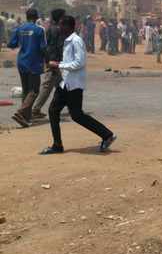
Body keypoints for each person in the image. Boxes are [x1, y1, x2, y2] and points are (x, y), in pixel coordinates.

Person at [40, 15, 116, 154]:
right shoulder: (67, 40)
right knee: (53, 111)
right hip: (65, 83)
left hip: (73, 84)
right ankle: (57, 145)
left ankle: (107, 135)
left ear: (69, 27)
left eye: (62, 25)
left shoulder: (76, 41)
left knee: (77, 115)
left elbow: (79, 62)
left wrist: (59, 65)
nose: (60, 28)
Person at [8, 8, 47, 127]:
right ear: (36, 18)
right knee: (34, 91)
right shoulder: (39, 30)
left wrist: (23, 41)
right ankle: (21, 112)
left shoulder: (19, 28)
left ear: (26, 16)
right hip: (34, 63)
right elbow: (43, 48)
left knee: (26, 90)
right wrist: (48, 60)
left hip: (22, 62)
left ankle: (26, 118)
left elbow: (11, 44)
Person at [30, 9, 67, 121]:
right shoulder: (57, 30)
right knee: (47, 86)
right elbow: (56, 47)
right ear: (60, 18)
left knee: (62, 86)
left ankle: (71, 106)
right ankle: (34, 110)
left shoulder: (50, 29)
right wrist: (53, 61)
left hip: (51, 61)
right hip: (53, 62)